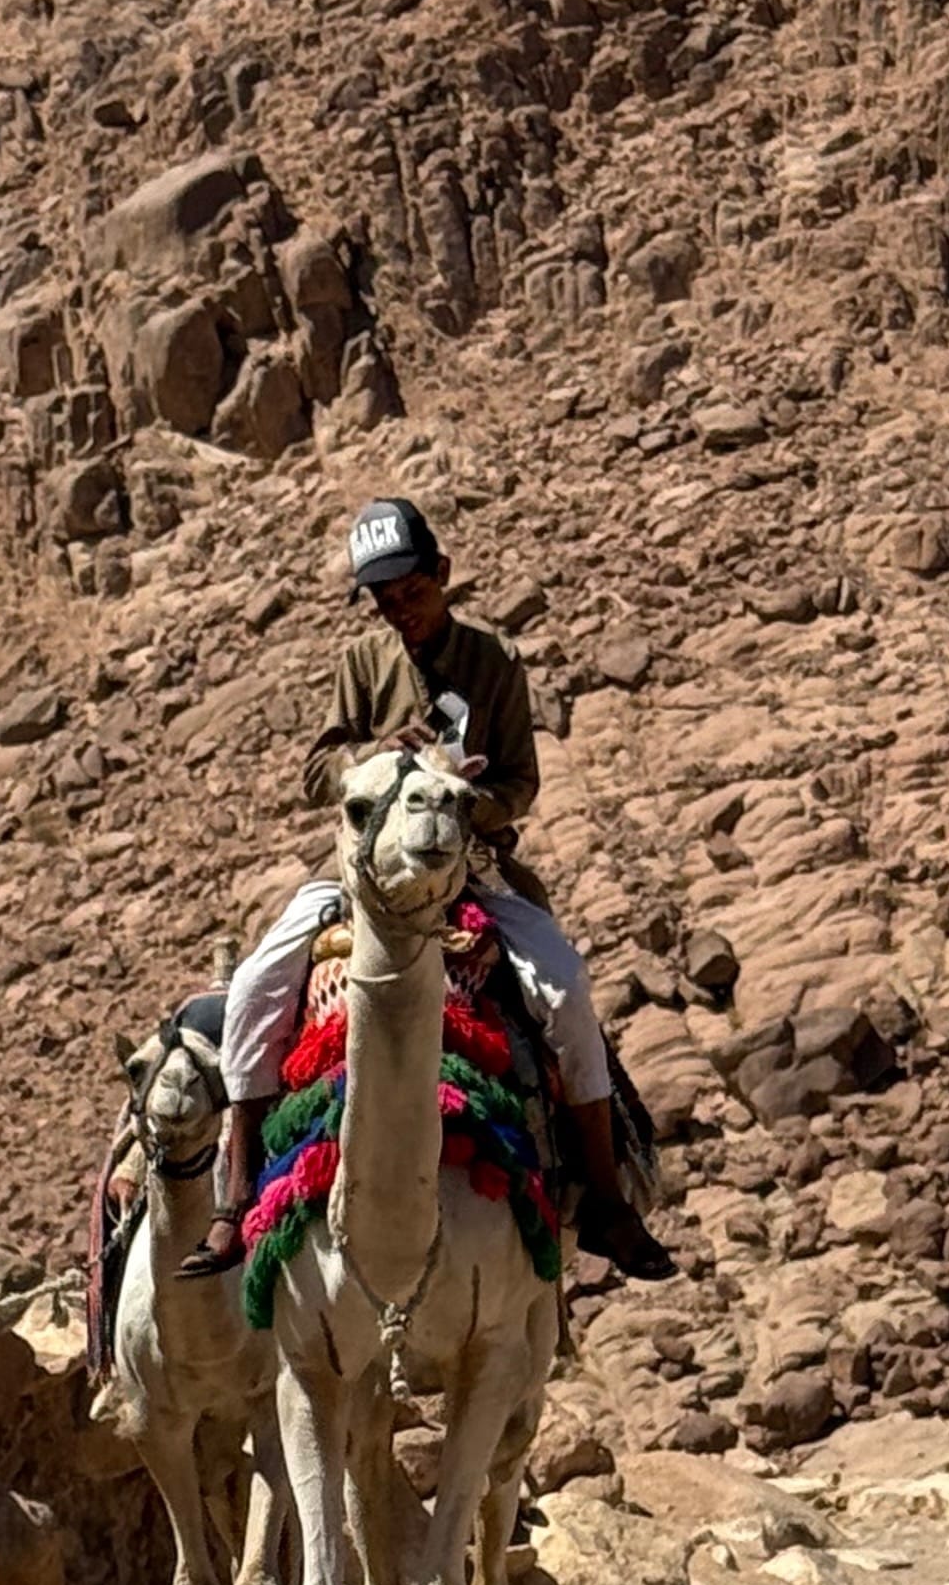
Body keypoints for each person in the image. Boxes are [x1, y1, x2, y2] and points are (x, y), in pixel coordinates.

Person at [179, 495, 674, 1283]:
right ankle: (236, 1196)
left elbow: (520, 782)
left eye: (411, 593)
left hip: (472, 864)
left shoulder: (495, 662)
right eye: (385, 602)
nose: (400, 612)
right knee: (253, 990)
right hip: (365, 871)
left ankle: (608, 1200)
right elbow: (318, 768)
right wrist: (374, 759)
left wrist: (454, 793)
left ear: (442, 575)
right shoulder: (362, 667)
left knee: (566, 991)